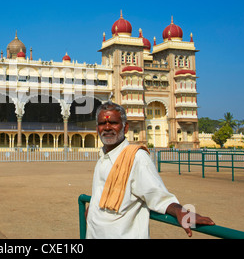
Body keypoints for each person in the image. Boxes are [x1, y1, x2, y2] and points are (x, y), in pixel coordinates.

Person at [86, 101, 214, 239]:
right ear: (97, 128)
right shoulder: (103, 157)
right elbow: (102, 191)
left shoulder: (136, 158)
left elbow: (157, 194)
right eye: (102, 124)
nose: (107, 127)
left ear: (126, 127)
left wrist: (179, 210)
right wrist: (93, 208)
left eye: (113, 123)